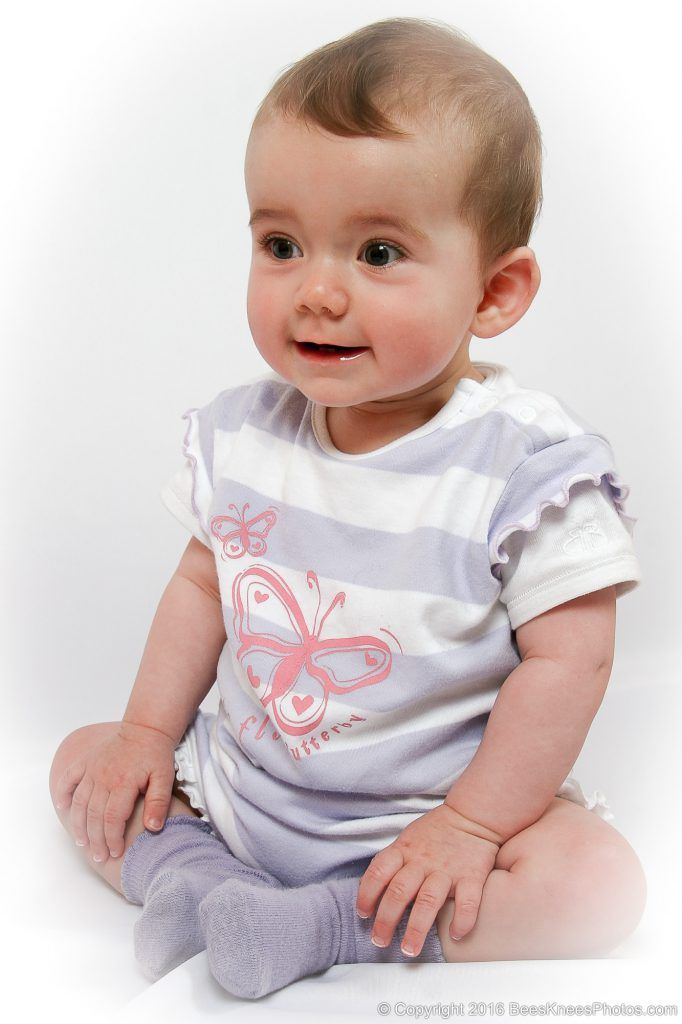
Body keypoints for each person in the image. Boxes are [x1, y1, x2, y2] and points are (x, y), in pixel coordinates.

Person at [49, 17, 647, 1000]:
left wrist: (471, 825)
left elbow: (570, 656)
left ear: (494, 291)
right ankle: (199, 879)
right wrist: (149, 737)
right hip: (246, 790)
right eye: (281, 243)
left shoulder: (523, 467)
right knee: (81, 761)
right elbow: (202, 585)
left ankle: (323, 924)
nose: (316, 291)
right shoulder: (244, 437)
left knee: (596, 885)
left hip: (421, 828)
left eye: (376, 252)